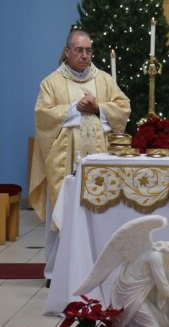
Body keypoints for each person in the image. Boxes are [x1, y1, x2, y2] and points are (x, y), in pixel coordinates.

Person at [29, 30, 131, 281]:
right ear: (67, 52)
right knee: (61, 213)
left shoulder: (104, 80)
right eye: (79, 50)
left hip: (99, 161)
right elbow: (43, 116)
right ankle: (54, 273)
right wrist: (76, 107)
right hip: (64, 162)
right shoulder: (51, 83)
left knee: (98, 213)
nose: (85, 56)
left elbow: (123, 108)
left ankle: (97, 269)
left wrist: (98, 108)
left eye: (88, 51)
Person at [112, 239, 169, 327]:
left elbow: (166, 276)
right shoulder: (156, 256)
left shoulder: (163, 257)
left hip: (140, 295)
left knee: (162, 324)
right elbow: (164, 288)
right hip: (130, 295)